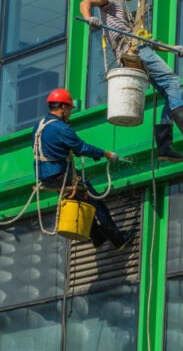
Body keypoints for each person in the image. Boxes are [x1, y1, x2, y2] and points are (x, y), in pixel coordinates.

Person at [79, 0, 183, 163]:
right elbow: (86, 1)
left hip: (136, 50)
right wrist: (89, 18)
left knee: (170, 93)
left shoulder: (124, 12)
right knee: (174, 83)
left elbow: (145, 41)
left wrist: (174, 49)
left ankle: (165, 146)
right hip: (134, 51)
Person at [33, 88, 134, 250]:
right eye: (70, 110)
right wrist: (105, 154)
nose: (70, 114)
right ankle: (118, 240)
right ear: (63, 108)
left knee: (83, 200)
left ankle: (98, 237)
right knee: (97, 203)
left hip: (46, 178)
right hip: (61, 176)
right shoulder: (61, 129)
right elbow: (82, 148)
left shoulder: (39, 126)